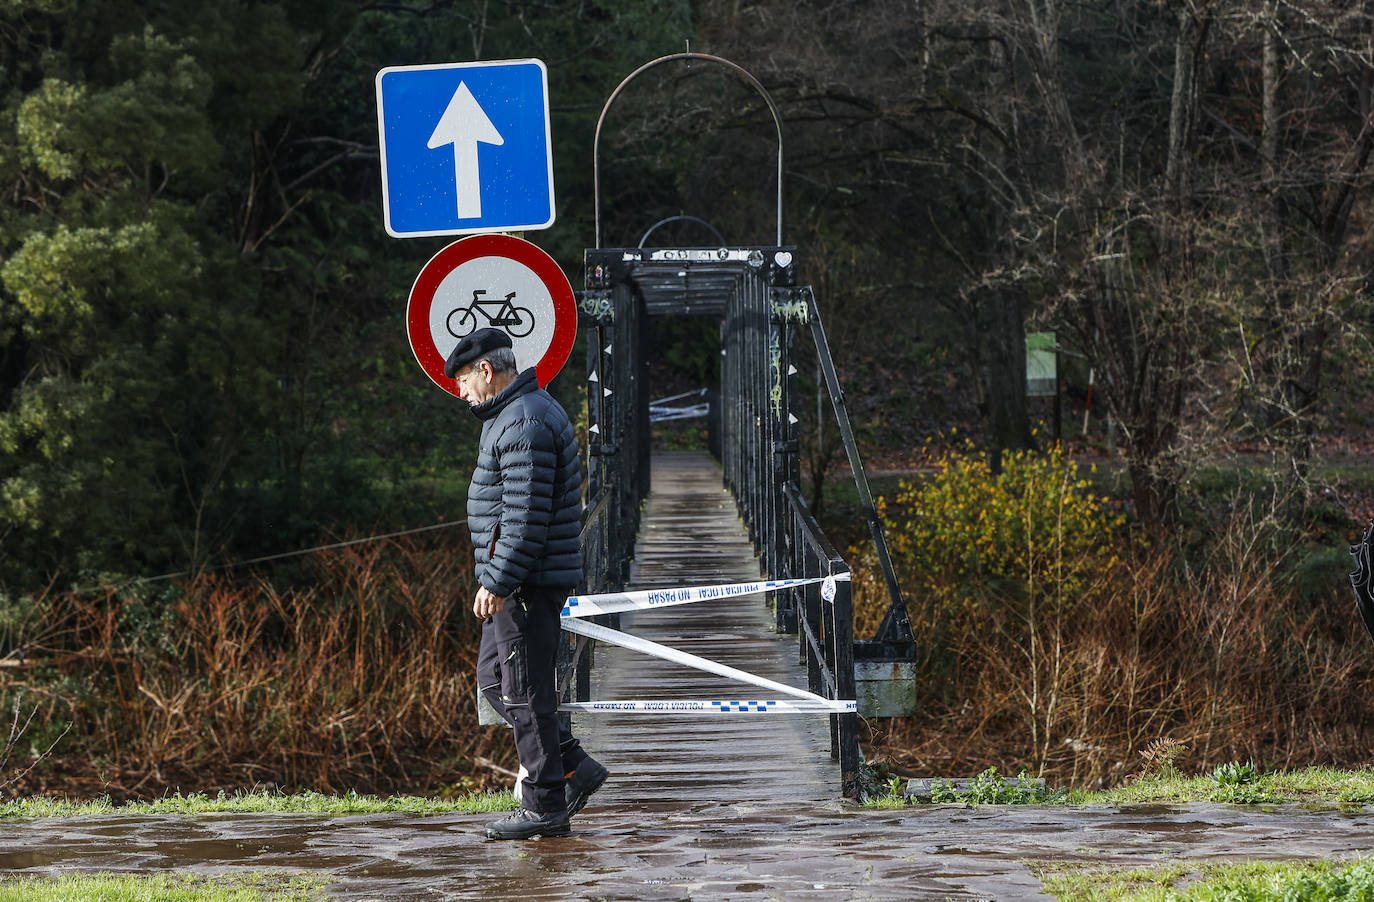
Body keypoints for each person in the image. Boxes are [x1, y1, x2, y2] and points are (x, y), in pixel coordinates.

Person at [445, 327, 608, 840]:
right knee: (498, 681)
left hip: (526, 583)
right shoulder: (515, 414)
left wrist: (498, 580)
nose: (462, 392)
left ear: (487, 372)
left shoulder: (524, 421)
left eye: (464, 380)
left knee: (525, 688)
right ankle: (573, 766)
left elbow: (524, 517)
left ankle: (543, 806)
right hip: (522, 580)